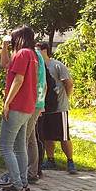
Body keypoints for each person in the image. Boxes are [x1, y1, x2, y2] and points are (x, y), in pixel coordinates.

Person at [0, 37, 46, 188]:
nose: (12, 41)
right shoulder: (31, 55)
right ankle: (23, 182)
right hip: (28, 106)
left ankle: (17, 185)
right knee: (19, 146)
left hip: (17, 106)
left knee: (5, 147)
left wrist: (7, 103)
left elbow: (18, 79)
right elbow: (6, 65)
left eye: (13, 38)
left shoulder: (23, 54)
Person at [36, 42, 77, 174]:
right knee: (47, 135)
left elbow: (69, 84)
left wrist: (65, 98)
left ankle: (70, 161)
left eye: (38, 50)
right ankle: (50, 160)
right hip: (44, 107)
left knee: (64, 136)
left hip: (59, 107)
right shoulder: (38, 66)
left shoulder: (57, 65)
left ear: (45, 50)